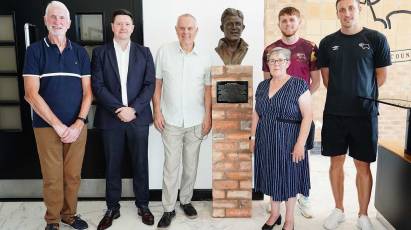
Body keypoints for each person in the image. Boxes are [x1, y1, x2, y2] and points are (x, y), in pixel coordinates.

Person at [318, 0, 391, 229]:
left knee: (363, 165)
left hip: (364, 115)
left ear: (359, 10)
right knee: (336, 163)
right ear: (337, 13)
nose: (347, 13)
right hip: (335, 113)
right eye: (342, 9)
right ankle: (338, 210)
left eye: (351, 8)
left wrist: (360, 95)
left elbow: (380, 77)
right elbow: (327, 80)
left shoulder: (376, 39)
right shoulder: (328, 43)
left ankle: (362, 215)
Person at [22, 1, 91, 230]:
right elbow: (31, 94)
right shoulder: (34, 51)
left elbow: (88, 92)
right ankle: (52, 220)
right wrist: (59, 126)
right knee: (52, 177)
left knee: (72, 176)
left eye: (62, 18)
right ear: (45, 20)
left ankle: (69, 215)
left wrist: (79, 122)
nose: (58, 22)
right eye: (53, 17)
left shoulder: (80, 52)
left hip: (77, 126)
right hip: (46, 126)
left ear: (69, 23)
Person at [91, 9, 155, 230]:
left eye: (127, 24)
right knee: (112, 164)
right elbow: (97, 85)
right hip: (111, 118)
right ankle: (112, 208)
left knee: (140, 164)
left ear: (133, 28)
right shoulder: (100, 52)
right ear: (112, 27)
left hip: (138, 117)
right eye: (119, 24)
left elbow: (149, 85)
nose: (123, 27)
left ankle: (143, 205)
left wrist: (133, 109)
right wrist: (119, 108)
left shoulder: (144, 53)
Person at [152, 13, 212, 229]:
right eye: (182, 28)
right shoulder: (164, 52)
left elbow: (207, 90)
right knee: (170, 167)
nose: (186, 32)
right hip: (170, 121)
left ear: (196, 30)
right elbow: (157, 85)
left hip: (196, 120)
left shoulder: (206, 55)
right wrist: (157, 112)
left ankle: (185, 201)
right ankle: (168, 208)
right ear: (176, 29)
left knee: (191, 166)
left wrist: (208, 116)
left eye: (190, 28)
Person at [261, 6, 321, 218]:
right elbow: (267, 85)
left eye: (292, 20)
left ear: (299, 22)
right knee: (276, 155)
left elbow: (316, 81)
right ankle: (275, 196)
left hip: (301, 115)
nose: (288, 24)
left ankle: (303, 196)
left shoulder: (310, 48)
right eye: (284, 20)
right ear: (279, 24)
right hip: (277, 117)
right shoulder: (270, 49)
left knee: (300, 156)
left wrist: (298, 100)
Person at [252, 47, 312, 230]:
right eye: (272, 60)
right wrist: (253, 136)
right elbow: (256, 113)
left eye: (280, 60)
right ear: (268, 64)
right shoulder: (262, 86)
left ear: (288, 63)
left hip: (289, 139)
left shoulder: (299, 85)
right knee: (272, 175)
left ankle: (289, 220)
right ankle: (275, 214)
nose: (276, 64)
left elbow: (308, 116)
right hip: (266, 138)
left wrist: (300, 143)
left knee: (289, 178)